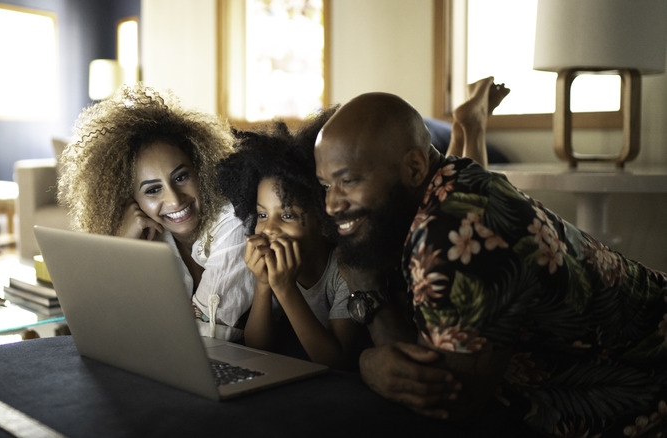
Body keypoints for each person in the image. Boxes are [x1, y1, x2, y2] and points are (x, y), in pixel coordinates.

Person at [314, 86, 667, 436]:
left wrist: (366, 306)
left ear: (415, 166)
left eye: (348, 180)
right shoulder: (455, 177)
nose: (332, 205)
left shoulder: (457, 238)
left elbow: (447, 399)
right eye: (326, 185)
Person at [58, 85, 254, 341]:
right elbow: (94, 324)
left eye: (181, 177)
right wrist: (120, 245)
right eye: (152, 190)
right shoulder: (149, 235)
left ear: (201, 170)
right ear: (131, 199)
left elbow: (208, 338)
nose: (173, 199)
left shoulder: (233, 222)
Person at [216, 113, 363, 370]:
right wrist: (263, 285)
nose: (269, 228)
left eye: (287, 215)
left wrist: (284, 288)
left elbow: (336, 361)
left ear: (322, 217)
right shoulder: (273, 265)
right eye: (262, 214)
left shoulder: (344, 270)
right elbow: (258, 350)